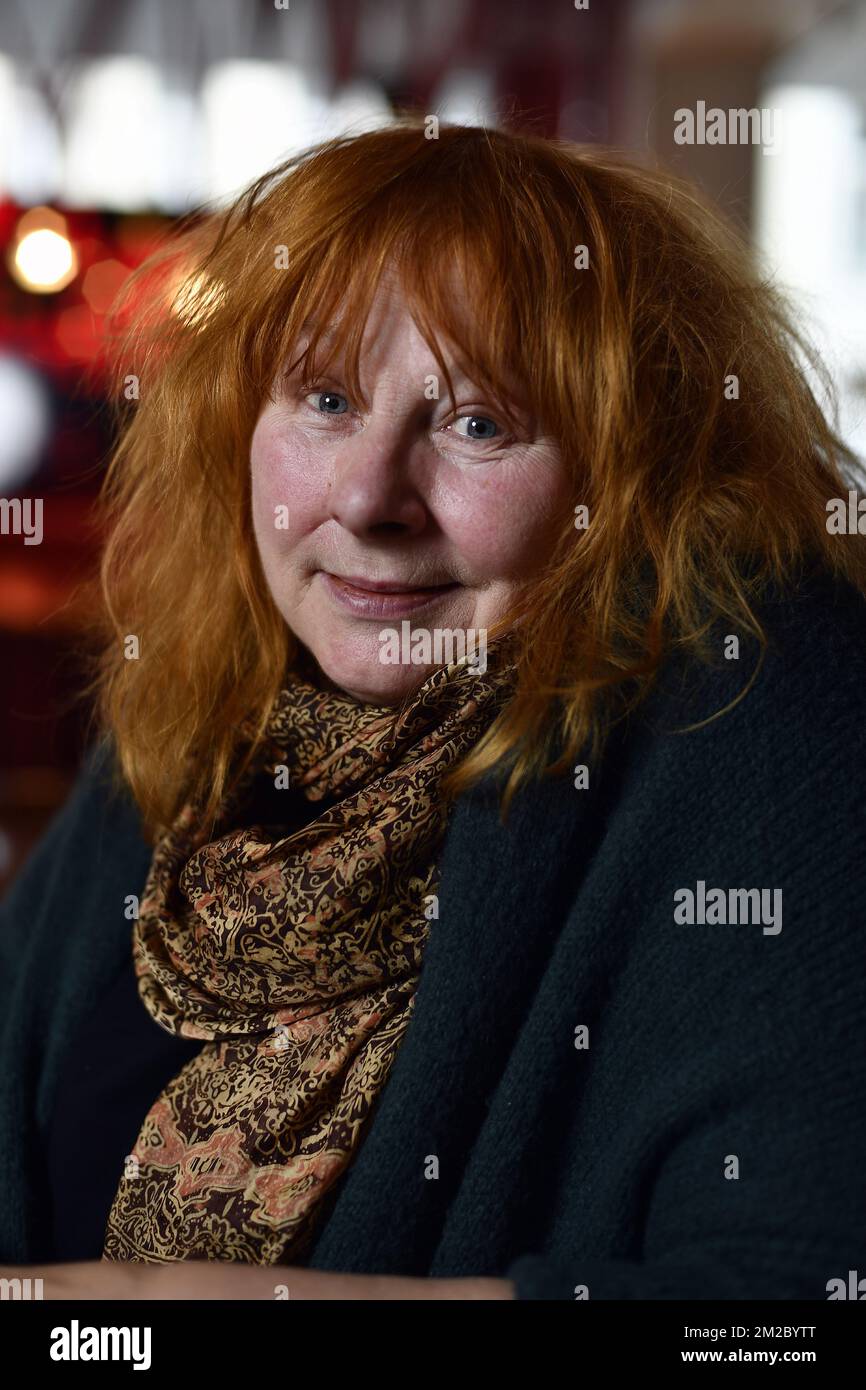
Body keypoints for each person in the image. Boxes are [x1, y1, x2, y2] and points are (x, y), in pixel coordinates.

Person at [1, 117, 865, 1301]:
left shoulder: (753, 699)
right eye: (323, 397)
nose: (368, 496)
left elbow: (793, 1306)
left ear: (629, 481)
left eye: (478, 424)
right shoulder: (203, 720)